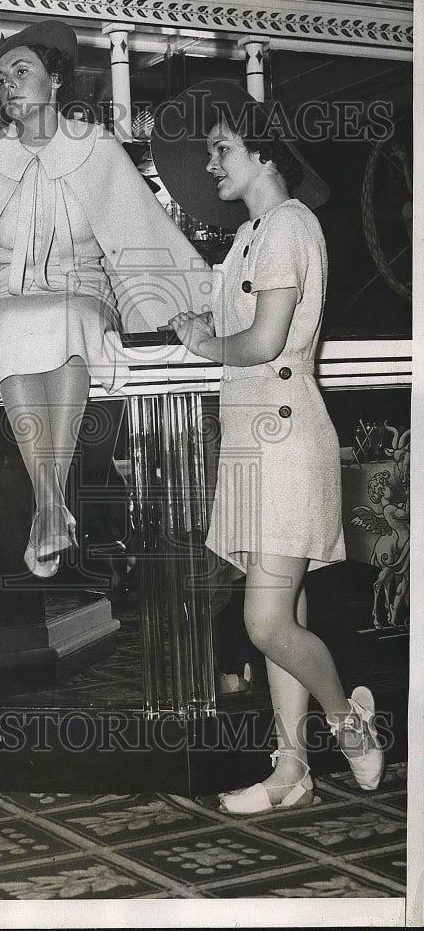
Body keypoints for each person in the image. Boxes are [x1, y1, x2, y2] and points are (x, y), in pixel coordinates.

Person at [151, 79, 384, 812]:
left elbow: (261, 340)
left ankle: (350, 726)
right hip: (250, 440)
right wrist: (201, 319)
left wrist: (200, 343)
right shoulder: (249, 238)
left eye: (221, 149)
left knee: (264, 622)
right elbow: (238, 317)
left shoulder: (285, 223)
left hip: (284, 440)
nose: (211, 164)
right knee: (284, 617)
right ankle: (291, 769)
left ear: (261, 152)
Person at [0, 19, 209, 577]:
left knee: (67, 319)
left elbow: (144, 231)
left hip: (84, 293)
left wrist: (193, 303)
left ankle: (48, 500)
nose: (9, 87)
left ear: (56, 79)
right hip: (5, 297)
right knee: (3, 326)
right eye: (0, 80)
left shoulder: (97, 149)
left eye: (21, 72)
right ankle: (50, 501)